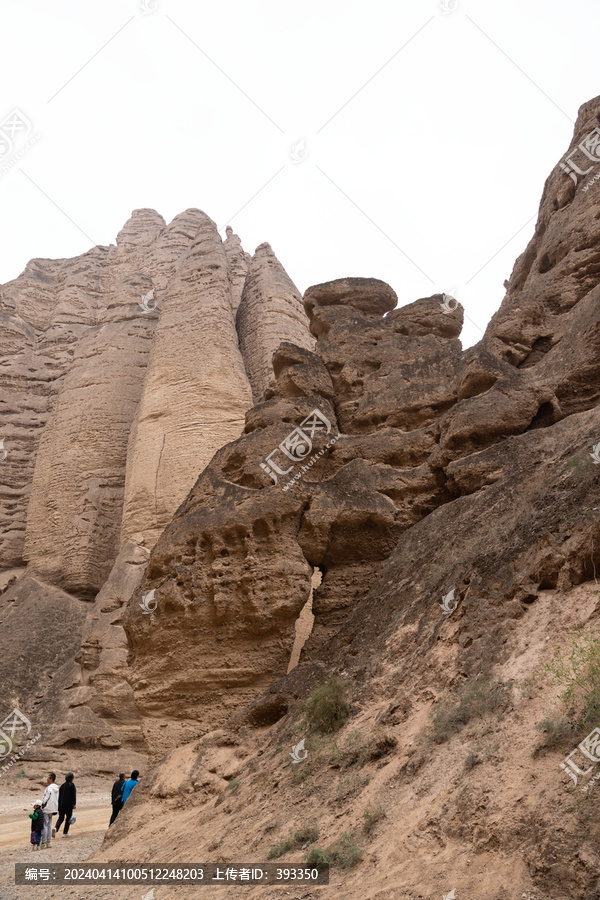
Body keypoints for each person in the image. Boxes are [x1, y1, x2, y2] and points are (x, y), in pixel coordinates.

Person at [54, 773, 76, 837]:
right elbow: (73, 795)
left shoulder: (62, 785)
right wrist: (74, 804)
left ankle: (56, 828)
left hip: (61, 805)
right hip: (68, 806)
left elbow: (59, 796)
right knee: (68, 819)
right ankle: (65, 833)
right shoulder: (71, 785)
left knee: (61, 818)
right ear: (71, 778)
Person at [40, 772, 59, 849]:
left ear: (51, 779)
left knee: (45, 825)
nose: (47, 780)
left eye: (48, 778)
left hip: (47, 808)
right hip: (53, 808)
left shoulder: (49, 788)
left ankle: (43, 843)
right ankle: (48, 842)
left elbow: (45, 798)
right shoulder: (57, 788)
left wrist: (40, 804)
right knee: (49, 825)